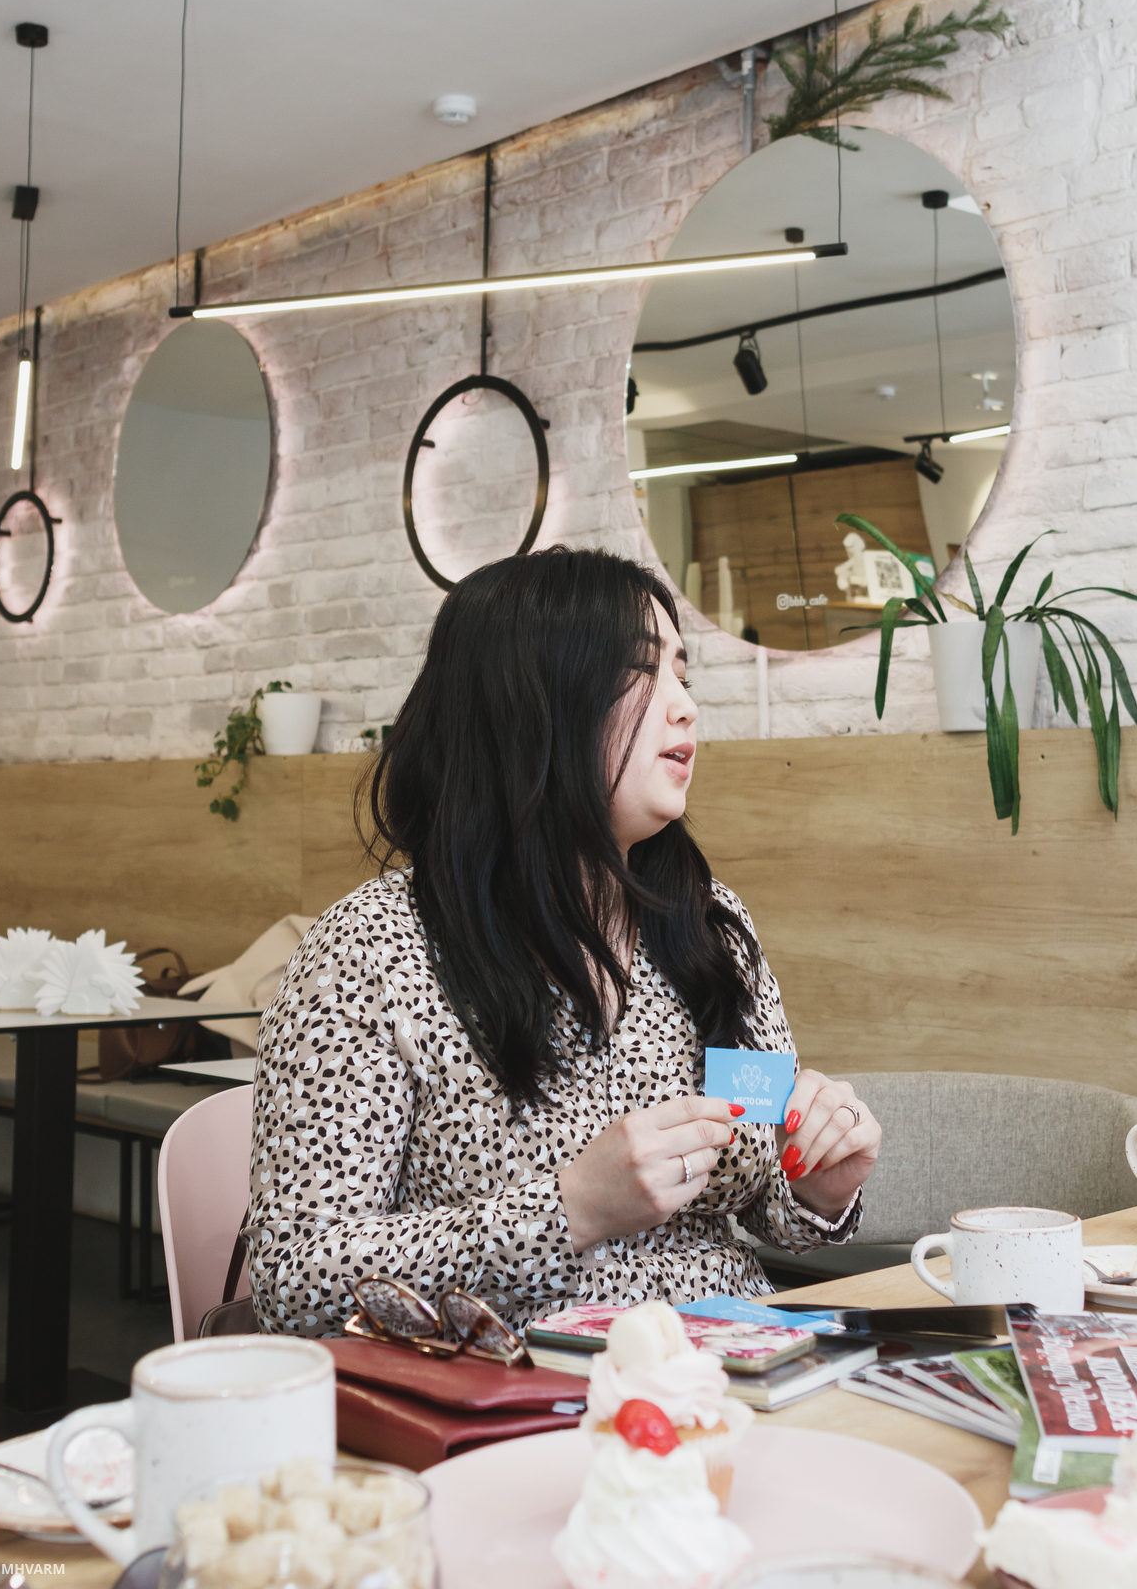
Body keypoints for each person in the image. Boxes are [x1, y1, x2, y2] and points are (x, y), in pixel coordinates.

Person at [247, 547, 881, 1334]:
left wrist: (820, 1181)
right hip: (519, 1381)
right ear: (532, 706)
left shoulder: (710, 928)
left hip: (733, 1362)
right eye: (642, 671)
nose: (685, 706)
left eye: (682, 673)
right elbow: (294, 1280)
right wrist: (569, 1209)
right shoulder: (372, 949)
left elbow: (761, 1191)